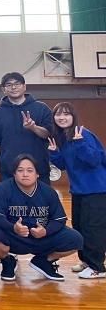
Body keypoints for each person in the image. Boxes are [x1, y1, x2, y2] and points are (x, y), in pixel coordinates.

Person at [0, 155, 83, 282]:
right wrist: (13, 228)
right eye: (20, 170)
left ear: (37, 174)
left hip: (42, 238)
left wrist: (45, 231)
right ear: (14, 173)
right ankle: (8, 261)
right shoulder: (3, 189)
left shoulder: (48, 192)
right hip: (14, 237)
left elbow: (59, 219)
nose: (25, 174)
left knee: (75, 239)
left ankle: (44, 261)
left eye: (30, 170)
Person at [48, 102, 106, 279]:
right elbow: (64, 165)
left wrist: (80, 143)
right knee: (79, 227)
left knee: (93, 229)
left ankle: (98, 267)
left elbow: (94, 160)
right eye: (58, 114)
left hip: (96, 190)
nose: (62, 117)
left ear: (73, 117)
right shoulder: (64, 138)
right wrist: (54, 153)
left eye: (66, 114)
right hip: (79, 191)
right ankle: (87, 261)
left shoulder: (83, 134)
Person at [0, 72, 53, 183]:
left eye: (17, 84)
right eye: (9, 85)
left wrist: (34, 128)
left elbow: (49, 134)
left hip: (39, 170)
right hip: (9, 171)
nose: (13, 87)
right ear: (3, 89)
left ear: (24, 86)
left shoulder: (41, 108)